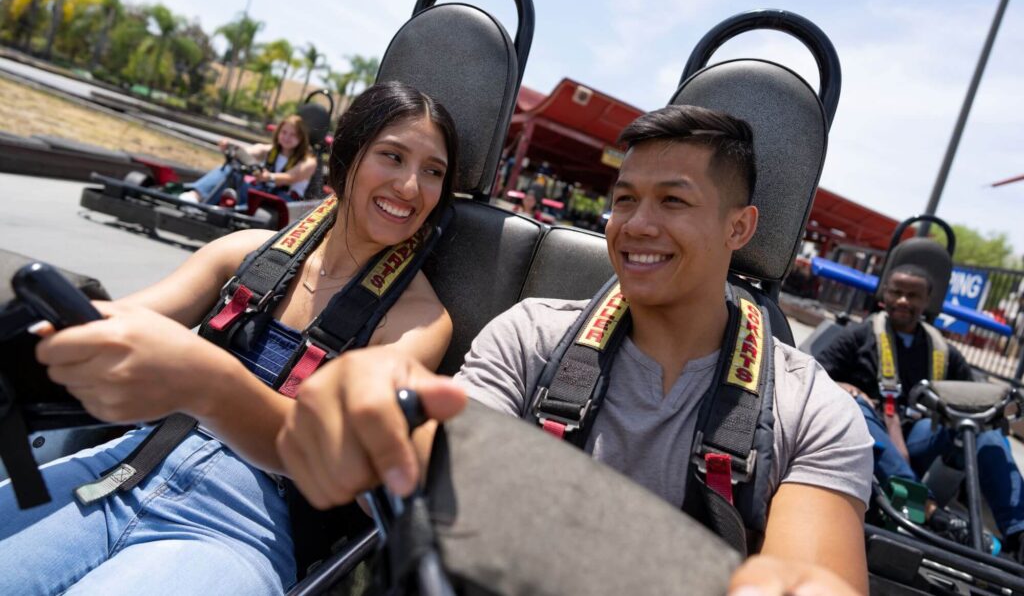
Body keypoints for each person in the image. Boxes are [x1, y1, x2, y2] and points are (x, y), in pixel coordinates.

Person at [277, 105, 875, 595]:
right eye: (624, 200)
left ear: (739, 229)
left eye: (673, 201)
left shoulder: (810, 412)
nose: (637, 224)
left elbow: (815, 579)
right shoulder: (531, 337)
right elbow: (440, 477)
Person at [0, 82, 459, 594]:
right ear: (347, 157)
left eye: (433, 171)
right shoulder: (245, 250)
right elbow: (116, 322)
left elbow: (334, 451)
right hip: (122, 470)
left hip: (237, 531)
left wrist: (206, 381)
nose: (411, 187)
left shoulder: (420, 321)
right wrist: (39, 326)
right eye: (392, 157)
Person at [816, 264, 1024, 555]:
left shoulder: (943, 351)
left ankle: (1019, 533)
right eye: (897, 293)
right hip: (871, 437)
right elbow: (812, 374)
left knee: (982, 428)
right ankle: (927, 511)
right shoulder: (858, 336)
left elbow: (974, 398)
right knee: (854, 407)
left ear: (926, 301)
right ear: (885, 294)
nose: (903, 301)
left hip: (921, 437)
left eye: (913, 296)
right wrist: (845, 388)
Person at [180, 113, 318, 205]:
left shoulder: (308, 161)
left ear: (301, 138)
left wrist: (268, 177)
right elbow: (250, 151)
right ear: (278, 133)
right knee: (232, 170)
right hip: (261, 193)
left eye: (293, 134)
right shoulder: (271, 150)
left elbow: (290, 177)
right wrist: (232, 148)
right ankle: (196, 196)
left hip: (282, 202)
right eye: (284, 132)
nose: (287, 137)